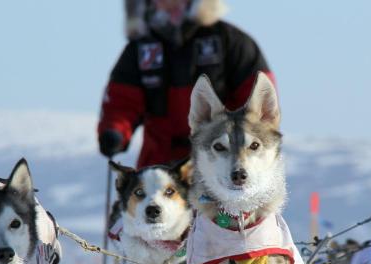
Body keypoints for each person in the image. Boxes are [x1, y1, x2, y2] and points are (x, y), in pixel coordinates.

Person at [98, 0, 274, 168]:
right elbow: (122, 103)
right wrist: (114, 132)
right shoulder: (140, 49)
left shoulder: (230, 41)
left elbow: (257, 101)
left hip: (223, 164)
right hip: (160, 166)